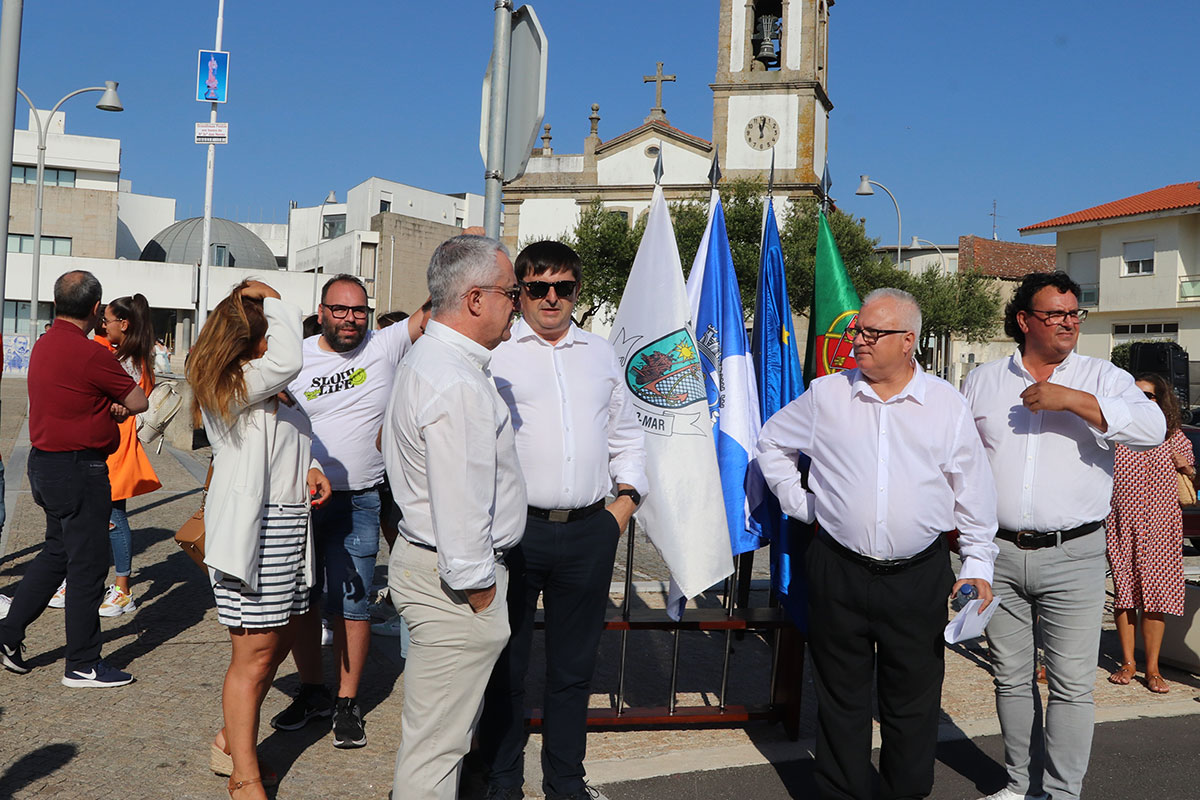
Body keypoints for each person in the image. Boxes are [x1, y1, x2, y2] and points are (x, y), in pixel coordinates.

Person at [755, 288, 999, 800]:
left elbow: (973, 490)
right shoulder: (827, 395)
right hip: (838, 570)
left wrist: (978, 563)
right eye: (856, 331)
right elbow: (772, 442)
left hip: (918, 576)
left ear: (908, 341)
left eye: (871, 333)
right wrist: (801, 505)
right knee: (840, 700)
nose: (857, 341)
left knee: (911, 702)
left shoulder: (946, 405)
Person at [962, 271, 1165, 800]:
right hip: (997, 553)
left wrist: (1073, 400)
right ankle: (1019, 786)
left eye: (1075, 313)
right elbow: (960, 464)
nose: (1069, 322)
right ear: (1024, 320)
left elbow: (1153, 429)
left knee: (1073, 686)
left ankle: (1061, 794)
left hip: (1074, 552)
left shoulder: (1104, 376)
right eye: (1055, 314)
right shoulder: (983, 380)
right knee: (1009, 678)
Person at [478, 241, 647, 800]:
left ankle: (565, 782)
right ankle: (502, 781)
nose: (551, 299)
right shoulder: (494, 355)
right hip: (515, 534)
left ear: (577, 291)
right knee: (508, 666)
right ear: (519, 291)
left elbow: (626, 435)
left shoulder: (601, 355)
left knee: (573, 671)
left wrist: (622, 509)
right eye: (537, 288)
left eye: (564, 288)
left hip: (589, 531)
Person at [382, 234, 526, 800]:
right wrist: (480, 592)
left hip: (440, 573)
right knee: (437, 750)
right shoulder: (454, 379)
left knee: (437, 741)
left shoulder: (436, 362)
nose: (516, 303)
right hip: (455, 583)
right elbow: (462, 505)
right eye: (511, 292)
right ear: (474, 299)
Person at [187, 279, 331, 800]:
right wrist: (274, 300)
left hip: (288, 524)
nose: (275, 341)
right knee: (254, 655)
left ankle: (232, 739)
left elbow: (284, 439)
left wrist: (311, 467)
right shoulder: (233, 378)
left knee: (280, 641)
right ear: (247, 340)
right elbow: (291, 358)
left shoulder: (261, 382)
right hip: (253, 530)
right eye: (268, 332)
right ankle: (244, 774)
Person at [271, 275, 427, 749]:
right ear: (322, 312)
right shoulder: (294, 358)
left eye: (359, 310)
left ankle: (347, 701)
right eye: (340, 310)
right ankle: (312, 690)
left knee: (354, 605)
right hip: (298, 500)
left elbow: (435, 306)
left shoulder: (385, 345)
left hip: (359, 499)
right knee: (302, 601)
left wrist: (463, 252)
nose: (350, 318)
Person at [0, 270, 148, 687]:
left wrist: (105, 404)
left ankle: (8, 633)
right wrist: (115, 405)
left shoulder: (44, 344)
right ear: (97, 309)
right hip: (80, 469)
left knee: (56, 554)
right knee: (87, 567)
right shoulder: (92, 354)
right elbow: (137, 399)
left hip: (44, 463)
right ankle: (82, 663)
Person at [1105, 372, 1193, 693]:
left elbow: (1193, 484)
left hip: (1161, 527)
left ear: (1160, 401)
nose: (1142, 400)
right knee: (1125, 595)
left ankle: (1152, 668)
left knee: (1155, 598)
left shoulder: (1173, 436)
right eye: (1136, 394)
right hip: (1121, 525)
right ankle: (1128, 663)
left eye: (1149, 396)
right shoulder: (1116, 435)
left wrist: (1187, 467)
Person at [97, 294, 162, 616]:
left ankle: (122, 589)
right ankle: (103, 583)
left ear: (124, 323)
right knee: (104, 515)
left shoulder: (127, 361)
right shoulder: (131, 355)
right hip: (112, 445)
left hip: (115, 447)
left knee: (113, 515)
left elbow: (124, 402)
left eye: (107, 320)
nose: (103, 325)